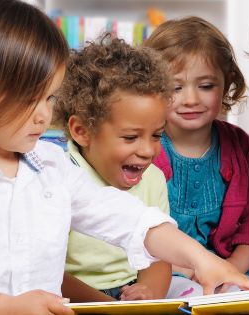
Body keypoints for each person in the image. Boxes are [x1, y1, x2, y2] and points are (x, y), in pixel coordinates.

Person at [0, 2, 249, 314]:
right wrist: (0, 307)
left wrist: (199, 257)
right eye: (30, 99)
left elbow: (125, 217)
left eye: (49, 98)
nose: (44, 115)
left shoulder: (50, 165)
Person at [53, 35, 202, 301]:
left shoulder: (154, 178)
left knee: (196, 295)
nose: (147, 151)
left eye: (156, 135)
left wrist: (148, 295)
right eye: (131, 137)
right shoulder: (57, 179)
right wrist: (108, 307)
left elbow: (157, 259)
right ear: (82, 131)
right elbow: (49, 274)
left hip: (131, 291)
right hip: (75, 297)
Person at [144, 17, 249, 290]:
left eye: (206, 86)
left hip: (227, 264)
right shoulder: (145, 147)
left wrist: (230, 268)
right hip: (164, 270)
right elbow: (133, 228)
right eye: (176, 87)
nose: (191, 99)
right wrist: (189, 270)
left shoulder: (238, 144)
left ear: (227, 83)